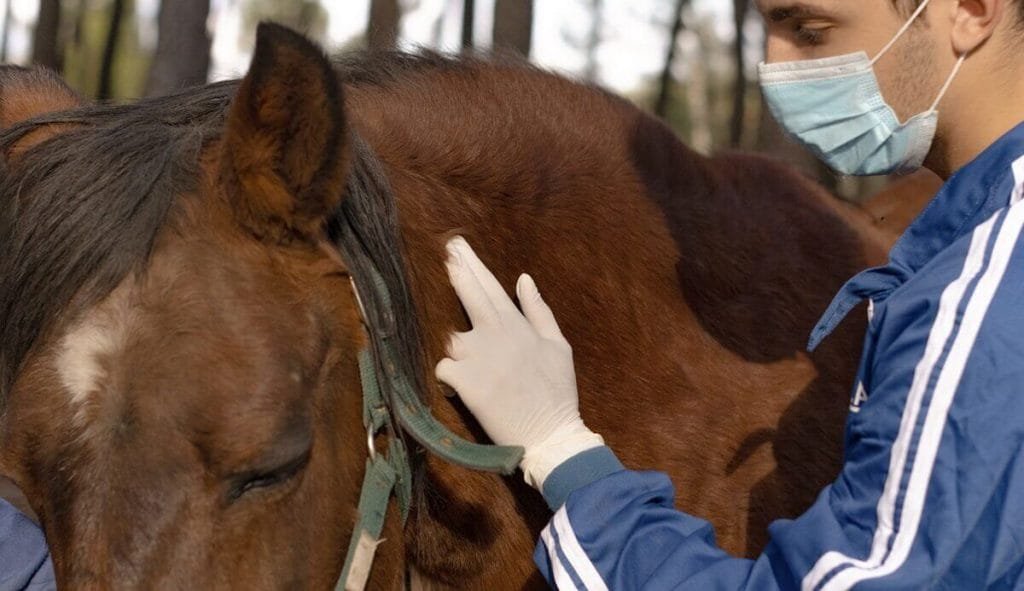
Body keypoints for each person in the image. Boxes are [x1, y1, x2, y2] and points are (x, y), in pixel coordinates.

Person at [435, 0, 1024, 588]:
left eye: (810, 30)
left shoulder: (986, 282)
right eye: (767, 29)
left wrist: (560, 451)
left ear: (970, 11)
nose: (774, 66)